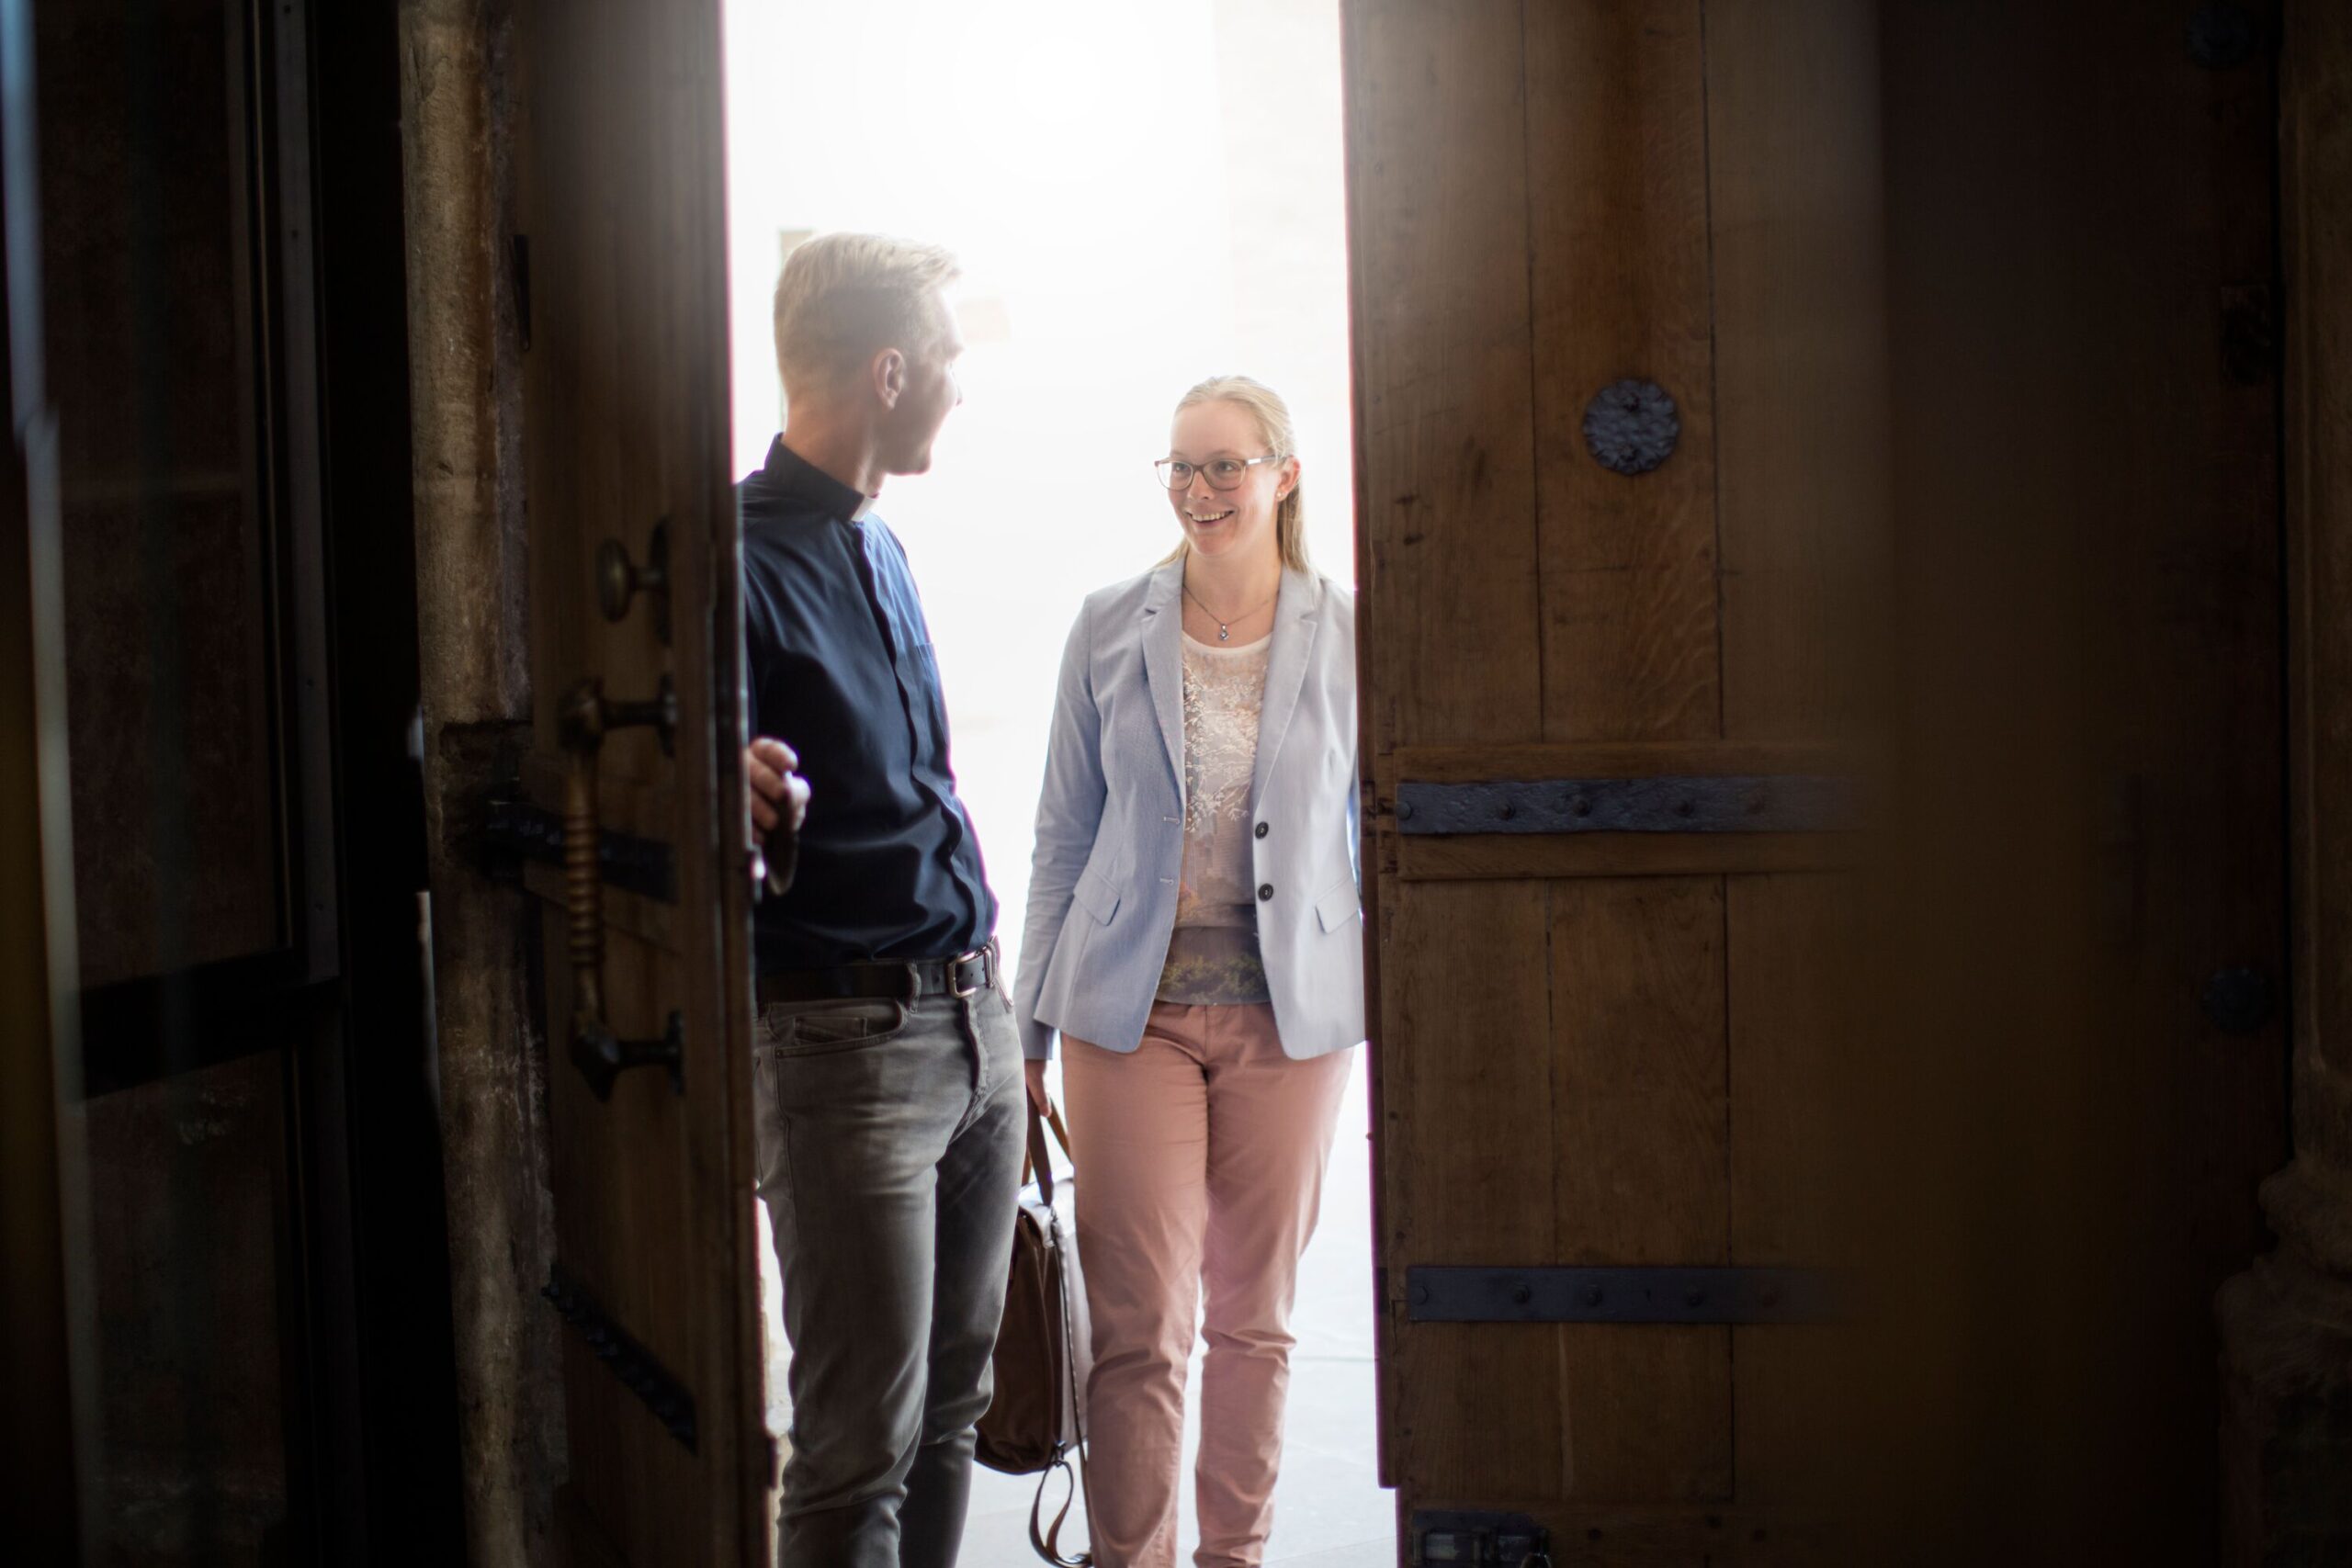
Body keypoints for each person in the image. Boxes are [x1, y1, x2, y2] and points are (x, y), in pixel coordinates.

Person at [1015, 375, 1363, 1567]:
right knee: (1137, 1330)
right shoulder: (1109, 622)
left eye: (1225, 465)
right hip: (1126, 1019)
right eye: (1180, 467)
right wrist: (1023, 1035)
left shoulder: (1352, 629)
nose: (1200, 490)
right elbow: (1062, 834)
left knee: (1254, 1327)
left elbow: (1383, 831)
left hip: (1291, 1021)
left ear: (1284, 472)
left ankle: (1235, 1559)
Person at [740, 231, 1024, 1568]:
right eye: (950, 361)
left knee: (956, 1414)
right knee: (856, 1447)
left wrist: (999, 1019)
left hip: (978, 1031)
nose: (962, 388)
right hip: (843, 1052)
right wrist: (718, 778)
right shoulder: (726, 567)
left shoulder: (886, 547)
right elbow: (694, 786)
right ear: (890, 370)